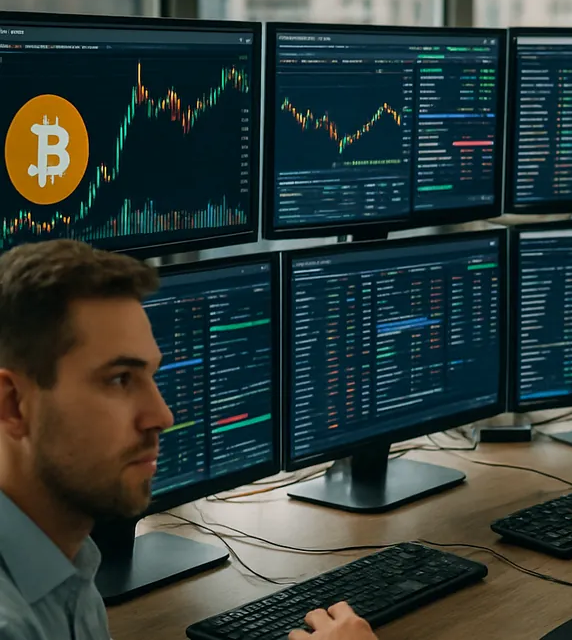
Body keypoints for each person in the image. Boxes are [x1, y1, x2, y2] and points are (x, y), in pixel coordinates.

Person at [0, 240, 379, 640]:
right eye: (119, 379)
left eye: (152, 375)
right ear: (13, 405)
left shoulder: (66, 560)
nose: (162, 416)